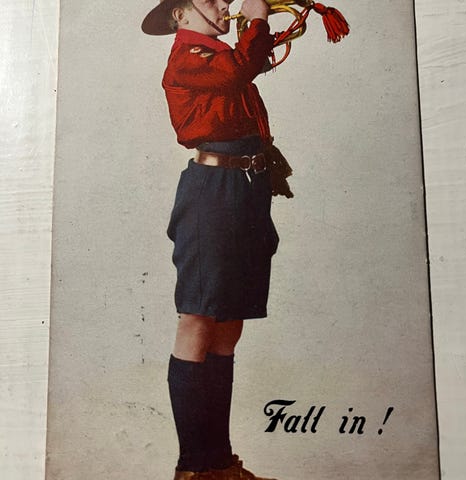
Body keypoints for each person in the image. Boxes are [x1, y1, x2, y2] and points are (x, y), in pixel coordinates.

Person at [142, 0, 283, 478]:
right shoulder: (188, 56)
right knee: (200, 318)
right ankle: (192, 469)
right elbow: (239, 69)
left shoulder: (217, 56)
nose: (225, 4)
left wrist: (260, 36)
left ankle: (217, 466)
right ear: (180, 15)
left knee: (227, 325)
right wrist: (258, 20)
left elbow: (244, 68)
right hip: (213, 191)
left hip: (244, 188)